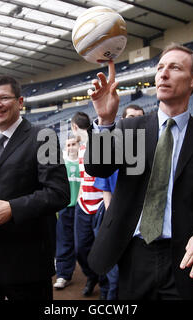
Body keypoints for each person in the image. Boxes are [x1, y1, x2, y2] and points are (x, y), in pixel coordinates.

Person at [85, 43, 193, 300]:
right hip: (133, 252)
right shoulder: (131, 128)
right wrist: (106, 122)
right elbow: (98, 167)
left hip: (183, 255)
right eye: (160, 68)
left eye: (174, 68)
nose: (163, 74)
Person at [0, 75, 70, 300]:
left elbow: (59, 193)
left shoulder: (43, 137)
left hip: (27, 262)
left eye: (4, 97)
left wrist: (12, 208)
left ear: (20, 102)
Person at [93, 104, 145, 300]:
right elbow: (105, 187)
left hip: (139, 224)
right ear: (122, 120)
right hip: (113, 218)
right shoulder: (113, 148)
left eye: (139, 117)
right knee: (112, 275)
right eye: (131, 117)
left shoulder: (150, 149)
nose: (135, 121)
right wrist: (113, 217)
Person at [71, 111, 106, 298]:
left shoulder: (98, 144)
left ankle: (106, 286)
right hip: (83, 206)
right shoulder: (81, 148)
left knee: (102, 249)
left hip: (101, 205)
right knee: (80, 249)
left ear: (74, 127)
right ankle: (92, 276)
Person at [53, 135, 81, 290]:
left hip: (82, 207)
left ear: (79, 145)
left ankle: (93, 274)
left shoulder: (85, 163)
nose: (71, 147)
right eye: (68, 144)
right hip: (65, 207)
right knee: (64, 241)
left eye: (74, 144)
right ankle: (63, 274)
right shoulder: (62, 164)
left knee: (83, 243)